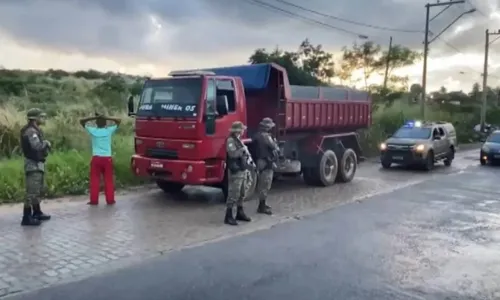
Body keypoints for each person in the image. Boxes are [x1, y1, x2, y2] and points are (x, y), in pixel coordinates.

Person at [80, 113, 121, 205]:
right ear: (105, 123)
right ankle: (110, 200)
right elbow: (119, 120)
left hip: (96, 158)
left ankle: (94, 200)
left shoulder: (93, 131)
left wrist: (95, 117)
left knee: (95, 180)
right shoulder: (109, 130)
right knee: (108, 180)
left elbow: (81, 121)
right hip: (107, 158)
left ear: (96, 123)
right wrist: (106, 117)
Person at [20, 108, 52, 226]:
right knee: (31, 191)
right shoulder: (31, 131)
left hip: (37, 163)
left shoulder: (34, 130)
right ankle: (27, 217)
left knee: (37, 190)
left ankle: (37, 212)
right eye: (41, 117)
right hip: (32, 164)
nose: (43, 119)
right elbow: (37, 146)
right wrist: (46, 143)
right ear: (35, 118)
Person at [224, 121, 252, 226]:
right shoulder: (231, 140)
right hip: (235, 170)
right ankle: (228, 215)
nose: (243, 130)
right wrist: (242, 150)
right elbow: (232, 154)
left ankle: (240, 212)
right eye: (242, 129)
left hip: (242, 168)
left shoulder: (238, 140)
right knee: (233, 193)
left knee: (242, 192)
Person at [253, 117, 280, 215]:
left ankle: (263, 204)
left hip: (260, 161)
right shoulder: (266, 137)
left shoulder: (257, 135)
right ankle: (262, 206)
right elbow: (274, 147)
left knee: (263, 184)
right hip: (266, 161)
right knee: (265, 184)